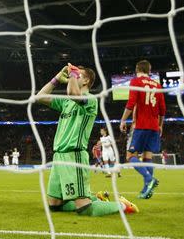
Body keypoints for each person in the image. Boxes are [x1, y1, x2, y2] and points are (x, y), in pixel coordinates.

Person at [37, 64, 138, 216]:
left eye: (79, 74)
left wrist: (72, 74)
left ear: (86, 81)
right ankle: (93, 197)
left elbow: (73, 93)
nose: (74, 75)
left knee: (84, 209)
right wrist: (58, 77)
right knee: (54, 205)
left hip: (74, 155)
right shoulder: (66, 103)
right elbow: (40, 97)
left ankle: (122, 205)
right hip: (59, 157)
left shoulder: (91, 100)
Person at [120, 60, 166, 199]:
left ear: (137, 69)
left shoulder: (135, 81)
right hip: (154, 127)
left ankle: (148, 179)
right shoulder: (157, 85)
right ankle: (147, 190)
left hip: (141, 125)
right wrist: (160, 125)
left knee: (130, 156)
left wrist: (123, 120)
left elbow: (131, 102)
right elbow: (162, 109)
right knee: (147, 157)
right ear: (149, 70)